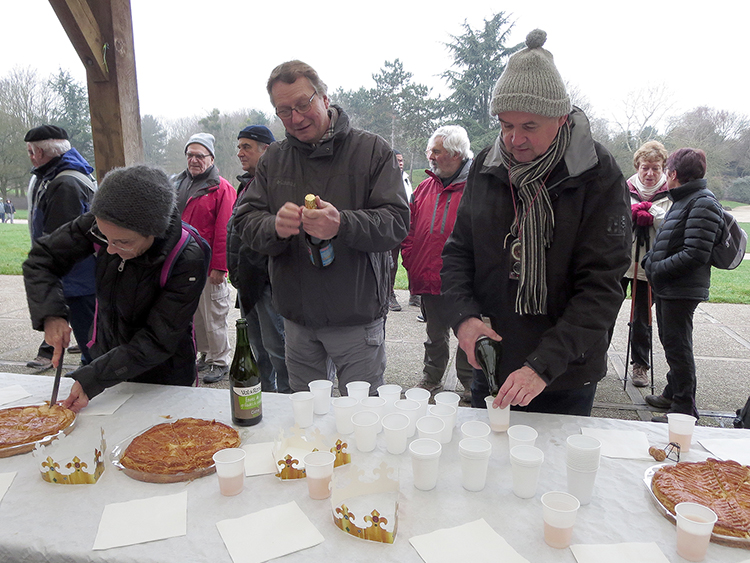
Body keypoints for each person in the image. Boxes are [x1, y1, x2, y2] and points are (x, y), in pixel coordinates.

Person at [440, 29, 631, 416]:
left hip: (565, 371)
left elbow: (602, 287)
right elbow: (458, 253)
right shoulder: (485, 166)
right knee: (486, 471)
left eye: (529, 126)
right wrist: (463, 319)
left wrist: (542, 366)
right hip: (492, 360)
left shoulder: (597, 174)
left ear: (560, 118)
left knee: (557, 474)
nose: (513, 140)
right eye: (505, 125)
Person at [234, 60, 409, 395]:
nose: (296, 118)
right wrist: (275, 226)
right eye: (284, 111)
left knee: (362, 420)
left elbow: (397, 222)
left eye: (303, 104)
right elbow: (244, 220)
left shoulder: (372, 151)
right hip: (297, 318)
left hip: (356, 316)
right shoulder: (274, 159)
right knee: (307, 417)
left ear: (325, 99)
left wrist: (343, 223)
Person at [23, 165, 209, 412]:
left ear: (153, 232)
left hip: (163, 374)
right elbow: (42, 259)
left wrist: (94, 378)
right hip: (104, 356)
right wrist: (51, 314)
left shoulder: (188, 254)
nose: (109, 249)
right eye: (105, 238)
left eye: (123, 242)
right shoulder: (103, 222)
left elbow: (157, 339)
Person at [643, 148, 722, 422]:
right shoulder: (684, 199)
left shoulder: (703, 203)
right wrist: (649, 261)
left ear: (673, 173)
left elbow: (696, 253)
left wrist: (657, 269)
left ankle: (684, 409)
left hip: (682, 289)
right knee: (671, 344)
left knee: (678, 348)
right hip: (670, 287)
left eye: (666, 170)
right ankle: (672, 392)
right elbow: (669, 240)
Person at [402, 126, 474, 399]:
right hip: (429, 276)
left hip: (465, 281)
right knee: (434, 335)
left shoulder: (476, 188)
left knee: (468, 334)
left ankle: (469, 382)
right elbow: (409, 227)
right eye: (430, 150)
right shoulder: (424, 187)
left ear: (455, 154)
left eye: (436, 151)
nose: (429, 156)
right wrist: (409, 258)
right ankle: (431, 378)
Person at [24, 125, 97, 369]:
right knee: (88, 333)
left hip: (77, 276)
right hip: (76, 274)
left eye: (31, 152)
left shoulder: (65, 183)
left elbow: (61, 242)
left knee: (90, 336)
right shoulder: (57, 175)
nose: (30, 157)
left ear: (41, 153)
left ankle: (93, 375)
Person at [227, 125, 291, 393]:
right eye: (239, 146)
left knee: (277, 348)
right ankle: (264, 395)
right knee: (256, 348)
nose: (240, 153)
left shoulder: (277, 187)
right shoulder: (245, 186)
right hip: (247, 282)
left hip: (267, 282)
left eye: (247, 147)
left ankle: (289, 396)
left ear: (267, 151)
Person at [173, 133, 236, 383]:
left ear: (211, 158)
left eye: (200, 155)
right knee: (195, 314)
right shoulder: (178, 184)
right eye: (190, 155)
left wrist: (220, 266)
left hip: (209, 264)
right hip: (183, 263)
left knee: (214, 313)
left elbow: (225, 230)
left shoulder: (221, 188)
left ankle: (220, 360)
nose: (194, 160)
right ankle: (205, 354)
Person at [622, 141, 672, 387]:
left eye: (655, 168)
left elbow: (673, 229)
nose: (650, 174)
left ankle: (640, 365)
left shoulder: (670, 193)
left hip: (648, 266)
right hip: (621, 263)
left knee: (642, 319)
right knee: (603, 313)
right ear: (637, 167)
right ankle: (592, 359)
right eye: (645, 168)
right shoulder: (624, 189)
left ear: (663, 168)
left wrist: (656, 218)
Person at [388, 150, 413, 312]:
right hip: (394, 225)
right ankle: (389, 294)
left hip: (409, 225)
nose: (401, 163)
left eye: (402, 160)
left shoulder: (406, 179)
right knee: (392, 261)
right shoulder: (387, 179)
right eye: (397, 160)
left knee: (412, 258)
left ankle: (415, 292)